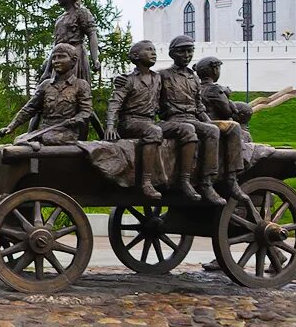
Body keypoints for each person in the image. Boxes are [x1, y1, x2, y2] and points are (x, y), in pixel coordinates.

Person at [159, 35, 246, 205]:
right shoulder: (163, 75)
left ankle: (231, 179)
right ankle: (206, 183)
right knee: (211, 130)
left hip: (194, 118)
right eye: (182, 51)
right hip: (174, 119)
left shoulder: (194, 78)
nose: (186, 55)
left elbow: (199, 107)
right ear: (172, 54)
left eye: (190, 51)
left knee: (233, 127)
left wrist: (209, 122)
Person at [103, 40, 182, 200]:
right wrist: (110, 125)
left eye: (154, 49)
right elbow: (114, 104)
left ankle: (183, 179)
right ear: (135, 56)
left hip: (151, 120)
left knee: (185, 129)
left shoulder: (158, 78)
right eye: (148, 50)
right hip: (130, 122)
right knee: (154, 131)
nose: (153, 52)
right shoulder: (128, 79)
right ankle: (146, 182)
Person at [0, 43, 92, 145]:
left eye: (61, 57)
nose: (56, 61)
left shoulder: (80, 85)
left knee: (48, 139)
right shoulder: (46, 85)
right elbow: (29, 108)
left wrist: (75, 120)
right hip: (45, 130)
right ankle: (33, 145)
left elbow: (86, 112)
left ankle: (34, 146)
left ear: (73, 61)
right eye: (54, 58)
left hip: (67, 132)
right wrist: (11, 127)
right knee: (19, 139)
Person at [195, 56, 253, 142]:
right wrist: (229, 101)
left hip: (200, 122)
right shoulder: (215, 90)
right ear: (215, 70)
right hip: (213, 122)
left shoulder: (196, 88)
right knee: (237, 126)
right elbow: (227, 112)